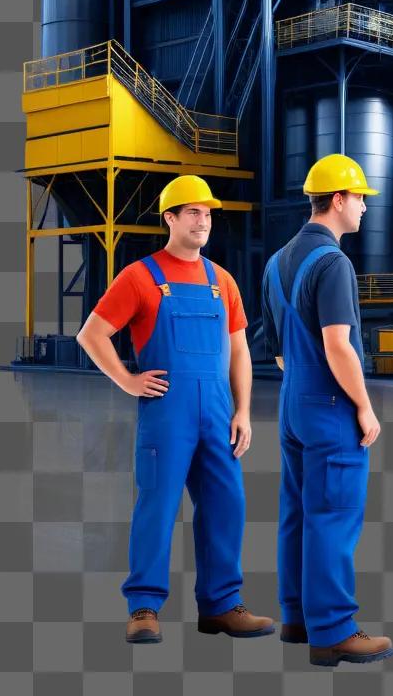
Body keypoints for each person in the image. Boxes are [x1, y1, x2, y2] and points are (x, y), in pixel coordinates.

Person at [77, 174, 274, 645]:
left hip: (219, 414)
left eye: (207, 214)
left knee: (227, 506)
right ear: (170, 217)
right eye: (193, 212)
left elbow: (240, 351)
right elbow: (92, 334)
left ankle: (222, 606)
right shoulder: (141, 276)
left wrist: (243, 411)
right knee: (158, 506)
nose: (203, 221)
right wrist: (127, 380)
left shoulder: (221, 281)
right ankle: (143, 607)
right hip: (167, 414)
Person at [261, 153, 393, 667]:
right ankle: (334, 630)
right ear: (337, 200)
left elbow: (274, 347)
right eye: (360, 198)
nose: (364, 207)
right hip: (331, 404)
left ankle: (297, 617)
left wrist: (305, 383)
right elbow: (339, 345)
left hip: (294, 400)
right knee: (334, 515)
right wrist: (364, 406)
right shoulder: (334, 263)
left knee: (296, 510)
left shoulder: (276, 263)